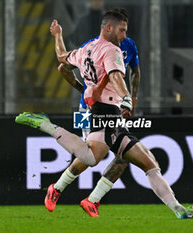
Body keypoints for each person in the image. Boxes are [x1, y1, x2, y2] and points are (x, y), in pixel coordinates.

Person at [16, 8, 193, 219]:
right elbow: (116, 75)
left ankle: (176, 210)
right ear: (109, 28)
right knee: (91, 156)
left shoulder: (89, 48)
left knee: (141, 161)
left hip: (106, 110)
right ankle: (54, 160)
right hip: (95, 110)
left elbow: (62, 59)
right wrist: (124, 96)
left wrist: (58, 36)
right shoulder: (111, 50)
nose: (125, 35)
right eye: (122, 30)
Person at [53, 35, 140, 217]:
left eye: (123, 28)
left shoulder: (129, 45)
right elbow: (63, 67)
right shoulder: (92, 46)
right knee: (91, 155)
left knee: (123, 156)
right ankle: (57, 188)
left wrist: (133, 98)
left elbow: (136, 72)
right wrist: (82, 89)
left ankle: (92, 200)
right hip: (87, 109)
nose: (121, 32)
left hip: (113, 109)